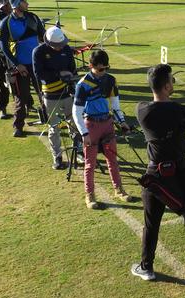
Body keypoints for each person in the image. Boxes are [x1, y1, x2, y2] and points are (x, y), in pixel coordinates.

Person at [130, 64, 185, 281]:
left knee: (152, 222)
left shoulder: (142, 110)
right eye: (172, 82)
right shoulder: (183, 112)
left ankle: (146, 267)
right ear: (167, 86)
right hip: (180, 172)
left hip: (157, 176)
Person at [72, 49, 134, 209]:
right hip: (90, 125)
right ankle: (90, 195)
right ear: (90, 66)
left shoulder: (111, 80)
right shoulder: (82, 85)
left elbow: (115, 105)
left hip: (107, 123)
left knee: (112, 159)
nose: (103, 72)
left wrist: (122, 122)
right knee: (90, 163)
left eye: (106, 68)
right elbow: (76, 112)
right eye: (100, 69)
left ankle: (119, 190)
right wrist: (83, 133)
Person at [0, 0, 44, 137]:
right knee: (21, 97)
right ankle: (18, 126)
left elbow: (43, 36)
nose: (28, 4)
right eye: (24, 2)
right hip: (20, 65)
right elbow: (4, 47)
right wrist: (17, 64)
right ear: (17, 4)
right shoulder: (5, 23)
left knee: (44, 93)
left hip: (37, 64)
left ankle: (51, 120)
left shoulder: (33, 17)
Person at [32, 26, 76, 170]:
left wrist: (69, 80)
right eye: (56, 46)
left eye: (61, 45)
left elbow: (72, 69)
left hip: (67, 93)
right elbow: (39, 75)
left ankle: (79, 150)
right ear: (48, 42)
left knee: (74, 123)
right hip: (50, 95)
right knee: (54, 127)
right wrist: (59, 74)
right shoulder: (38, 52)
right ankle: (57, 156)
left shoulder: (67, 49)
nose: (59, 48)